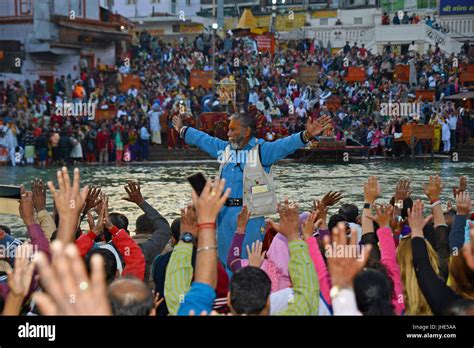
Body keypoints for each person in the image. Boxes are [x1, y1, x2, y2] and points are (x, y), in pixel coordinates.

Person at [172, 112, 332, 268]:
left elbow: (284, 145)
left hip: (250, 217)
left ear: (246, 131)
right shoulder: (225, 150)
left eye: (233, 129)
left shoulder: (262, 151)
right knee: (223, 262)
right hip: (223, 216)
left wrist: (306, 135)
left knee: (246, 264)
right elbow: (204, 140)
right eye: (228, 129)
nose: (228, 133)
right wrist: (182, 130)